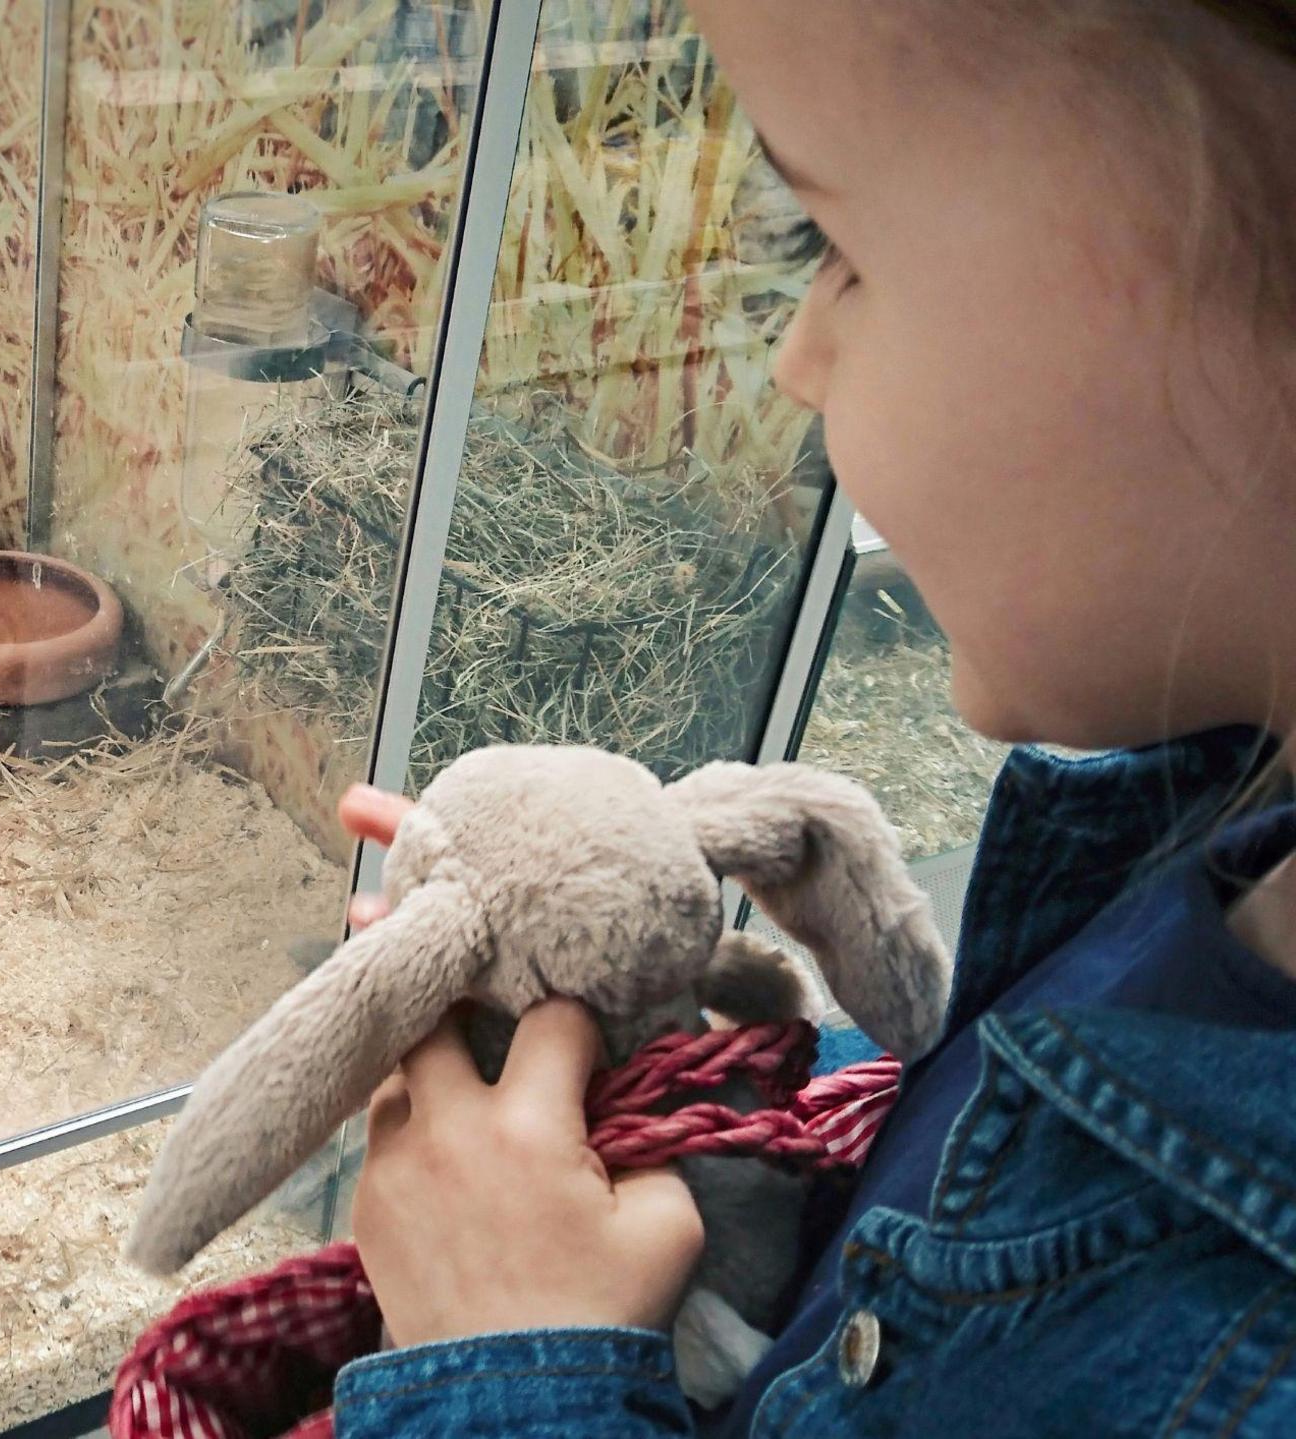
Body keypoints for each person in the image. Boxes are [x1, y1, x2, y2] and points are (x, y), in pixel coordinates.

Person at [328, 4, 1296, 1433]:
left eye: (833, 249)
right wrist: (634, 1022)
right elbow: (978, 1175)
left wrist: (507, 1359)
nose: (793, 359)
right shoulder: (1221, 861)